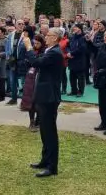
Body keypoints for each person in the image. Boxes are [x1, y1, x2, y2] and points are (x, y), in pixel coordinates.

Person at [29, 27, 64, 178]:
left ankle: (52, 166)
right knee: (44, 130)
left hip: (49, 97)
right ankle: (45, 160)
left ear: (55, 38)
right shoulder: (50, 50)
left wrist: (28, 47)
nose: (46, 37)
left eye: (49, 35)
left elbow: (36, 62)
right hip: (43, 95)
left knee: (50, 132)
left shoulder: (55, 53)